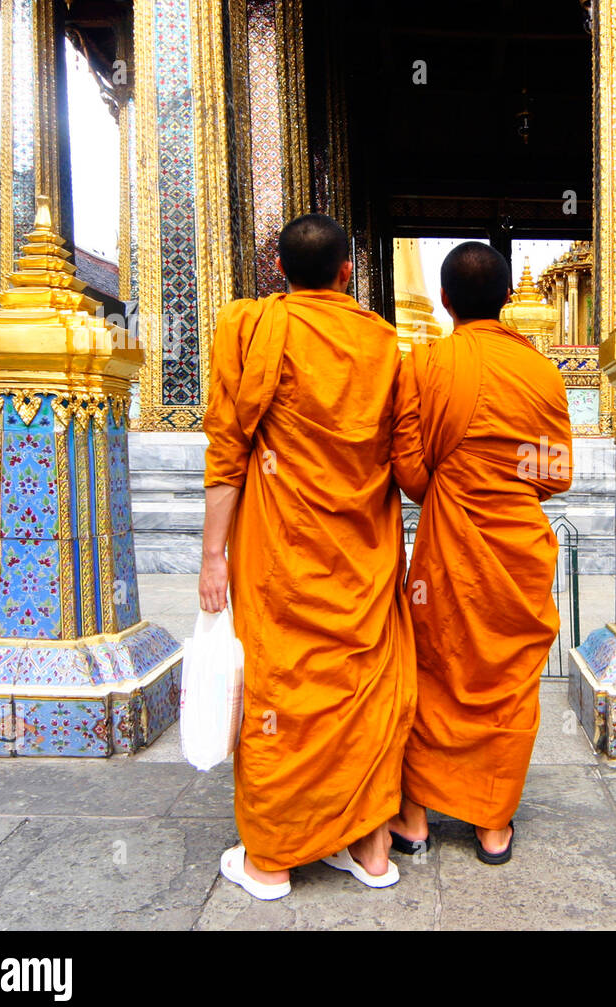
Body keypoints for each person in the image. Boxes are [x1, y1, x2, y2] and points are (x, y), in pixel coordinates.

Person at [199, 213, 415, 899]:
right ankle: (369, 849)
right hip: (363, 551)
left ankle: (271, 858)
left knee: (283, 694)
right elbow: (406, 462)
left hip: (280, 556)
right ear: (348, 272)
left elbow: (227, 453)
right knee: (366, 690)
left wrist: (211, 556)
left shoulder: (250, 327)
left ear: (281, 273)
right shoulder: (385, 343)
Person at [388, 241, 573, 864]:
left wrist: (457, 474)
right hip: (519, 551)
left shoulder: (428, 364)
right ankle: (493, 824)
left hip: (449, 550)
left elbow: (412, 475)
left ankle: (413, 818)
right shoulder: (542, 371)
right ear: (508, 301)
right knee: (508, 682)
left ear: (443, 300)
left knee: (434, 671)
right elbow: (555, 473)